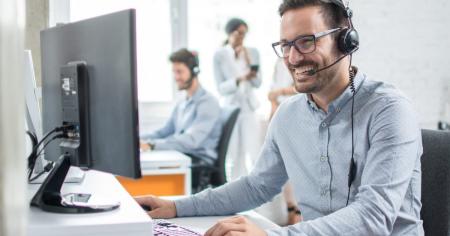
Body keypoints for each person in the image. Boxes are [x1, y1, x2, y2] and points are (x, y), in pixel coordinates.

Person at [135, 1, 423, 235]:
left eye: (306, 42)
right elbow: (256, 186)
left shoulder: (389, 110)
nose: (293, 58)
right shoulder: (289, 114)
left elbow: (375, 217)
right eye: (286, 45)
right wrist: (175, 207)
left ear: (345, 39)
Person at [140, 48, 221, 190]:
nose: (176, 77)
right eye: (174, 72)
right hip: (182, 156)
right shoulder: (182, 102)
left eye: (180, 72)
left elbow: (192, 141)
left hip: (198, 164)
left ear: (194, 71)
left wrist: (152, 145)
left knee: (148, 173)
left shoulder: (208, 103)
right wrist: (137, 139)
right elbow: (164, 131)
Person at [212, 18, 262, 181]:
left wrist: (248, 63)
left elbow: (257, 82)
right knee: (233, 155)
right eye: (239, 33)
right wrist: (240, 78)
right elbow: (221, 88)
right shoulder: (219, 55)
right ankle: (233, 193)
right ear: (229, 33)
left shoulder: (253, 52)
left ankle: (255, 196)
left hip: (249, 108)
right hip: (231, 109)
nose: (242, 37)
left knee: (254, 153)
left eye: (244, 33)